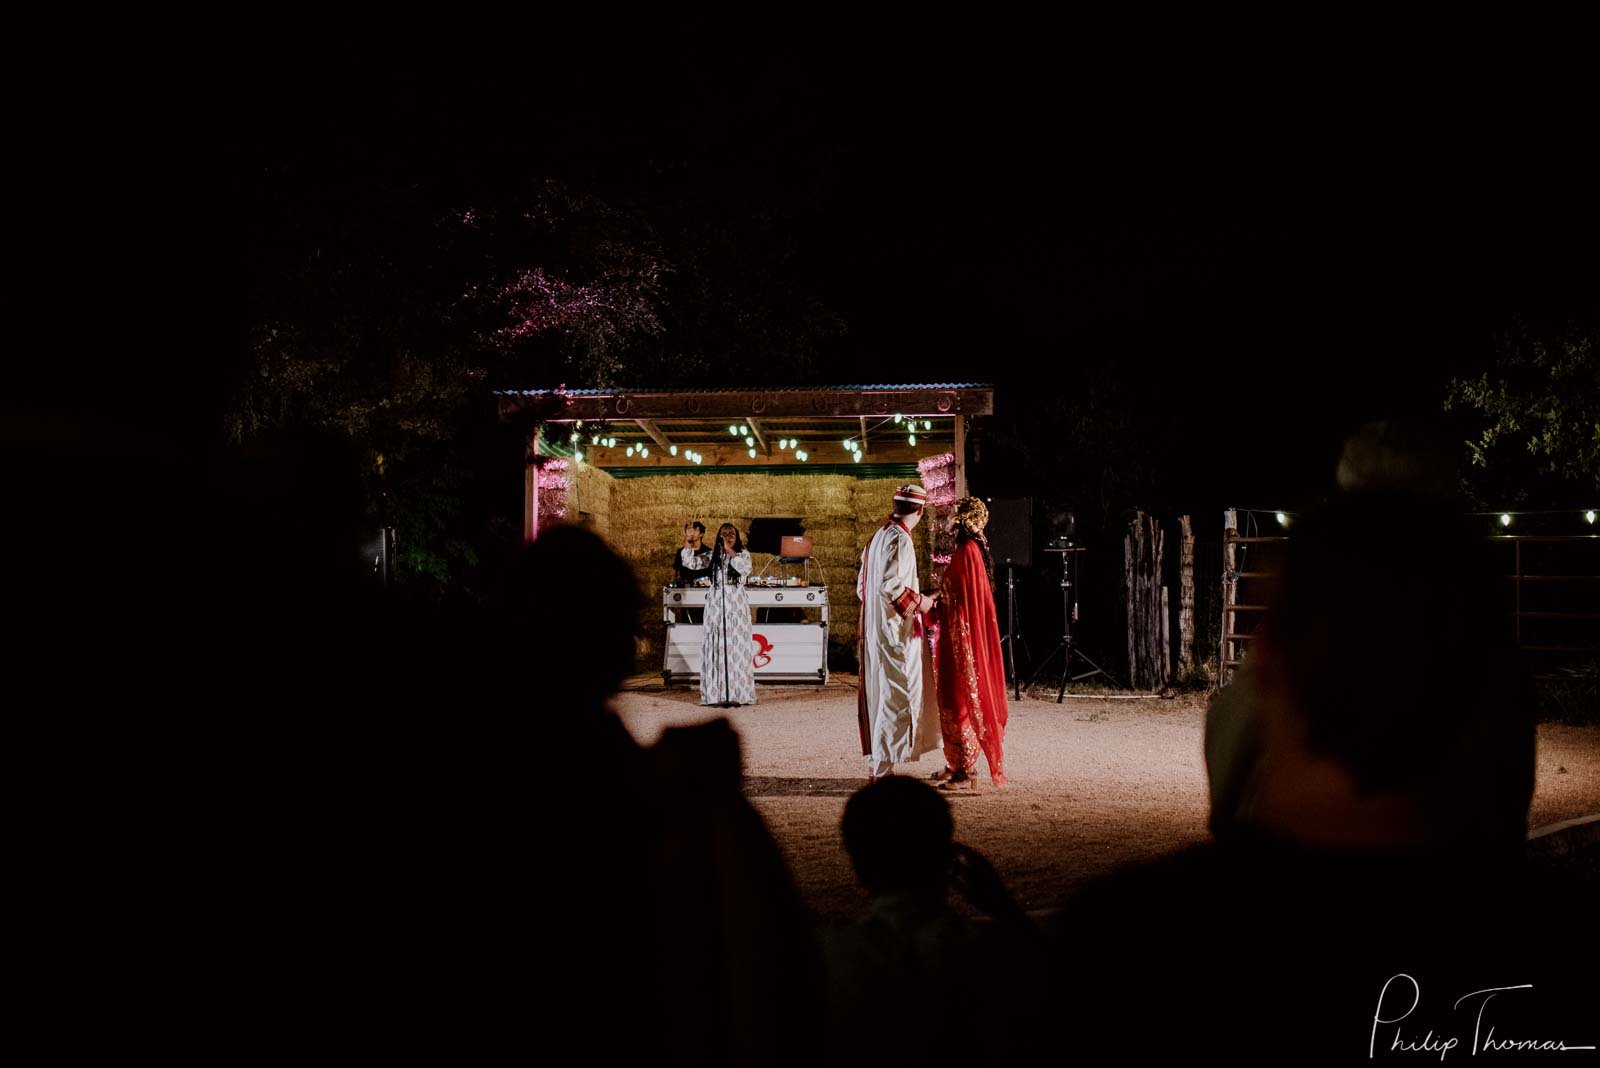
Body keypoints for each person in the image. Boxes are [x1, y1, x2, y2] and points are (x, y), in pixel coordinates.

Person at [856, 484, 939, 781]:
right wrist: (922, 602)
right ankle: (881, 769)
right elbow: (890, 585)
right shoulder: (900, 539)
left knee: (882, 693)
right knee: (896, 695)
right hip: (895, 632)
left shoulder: (876, 537)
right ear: (920, 511)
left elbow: (862, 588)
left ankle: (878, 763)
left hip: (877, 629)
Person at [930, 496, 1009, 789]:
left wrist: (938, 598)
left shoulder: (968, 552)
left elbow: (965, 599)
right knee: (950, 696)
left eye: (955, 518)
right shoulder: (966, 550)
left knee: (960, 697)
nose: (950, 524)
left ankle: (966, 768)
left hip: (961, 638)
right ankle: (955, 762)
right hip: (953, 636)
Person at [700, 522, 755, 707]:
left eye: (732, 534)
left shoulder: (743, 554)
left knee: (736, 646)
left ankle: (739, 694)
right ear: (718, 537)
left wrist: (730, 551)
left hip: (735, 604)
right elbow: (691, 563)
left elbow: (744, 569)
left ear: (737, 537)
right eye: (724, 534)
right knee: (716, 646)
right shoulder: (712, 556)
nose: (728, 536)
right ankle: (715, 695)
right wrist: (690, 543)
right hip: (716, 604)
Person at [672, 521, 712, 622]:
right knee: (687, 621)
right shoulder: (681, 552)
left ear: (701, 534)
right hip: (687, 593)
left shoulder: (709, 552)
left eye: (695, 529)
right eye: (689, 529)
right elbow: (677, 573)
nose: (691, 532)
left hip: (705, 595)